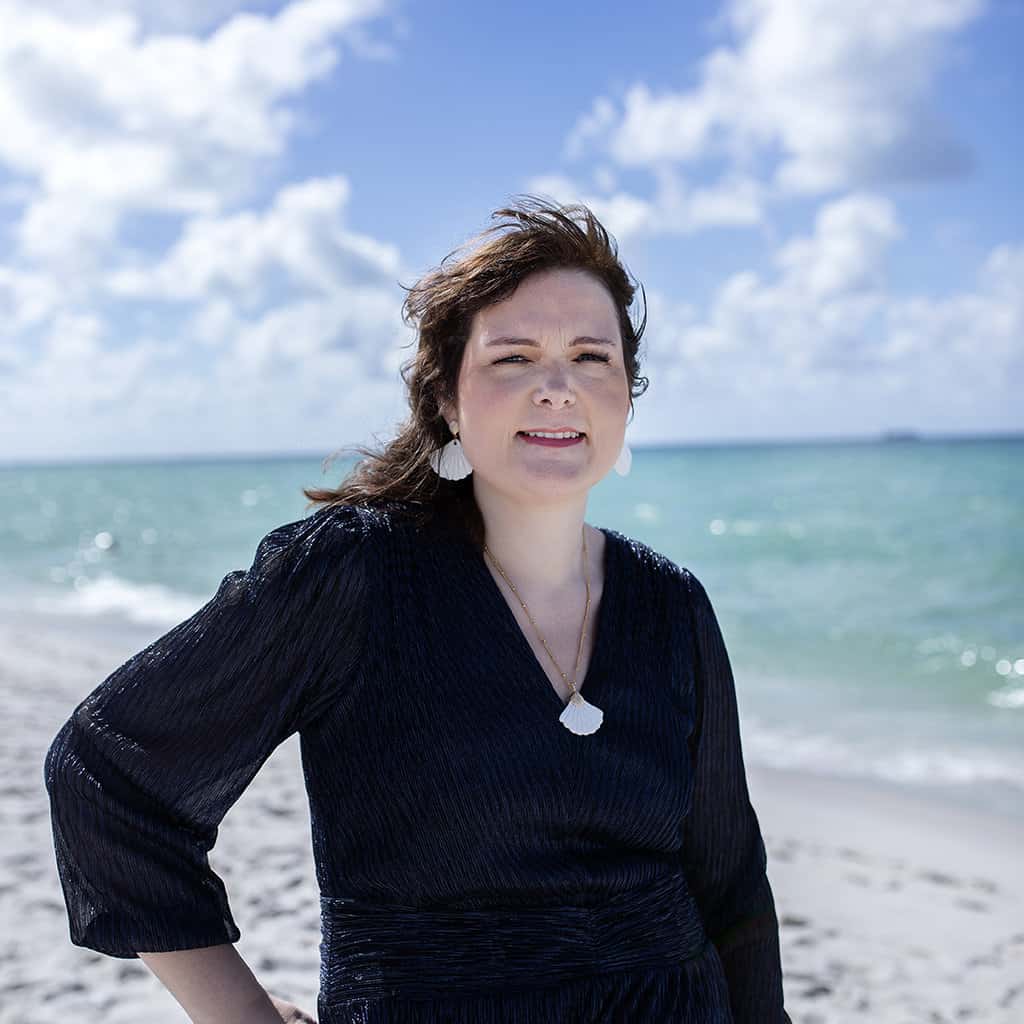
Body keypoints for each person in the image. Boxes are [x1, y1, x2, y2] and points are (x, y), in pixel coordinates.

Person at [43, 196, 790, 1023]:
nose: (557, 389)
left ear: (626, 397)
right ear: (446, 399)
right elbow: (105, 775)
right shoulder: (353, 576)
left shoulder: (673, 606)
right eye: (514, 359)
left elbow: (732, 891)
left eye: (591, 357)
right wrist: (238, 1015)